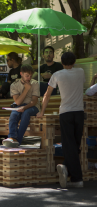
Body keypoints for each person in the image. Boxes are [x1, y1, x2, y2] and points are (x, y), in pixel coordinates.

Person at [37, 52, 85, 188]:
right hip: (79, 112)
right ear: (74, 61)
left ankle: (76, 179)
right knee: (75, 144)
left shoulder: (57, 74)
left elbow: (47, 95)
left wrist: (41, 112)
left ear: (62, 63)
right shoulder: (81, 72)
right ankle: (66, 168)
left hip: (65, 113)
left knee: (69, 144)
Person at [2, 64, 40, 147]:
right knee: (13, 115)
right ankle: (12, 137)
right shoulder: (14, 85)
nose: (29, 78)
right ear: (21, 74)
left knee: (26, 113)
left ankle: (17, 140)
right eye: (27, 76)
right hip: (20, 105)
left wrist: (24, 107)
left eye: (30, 76)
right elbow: (18, 102)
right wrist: (26, 89)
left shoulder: (35, 83)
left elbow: (34, 101)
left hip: (33, 107)